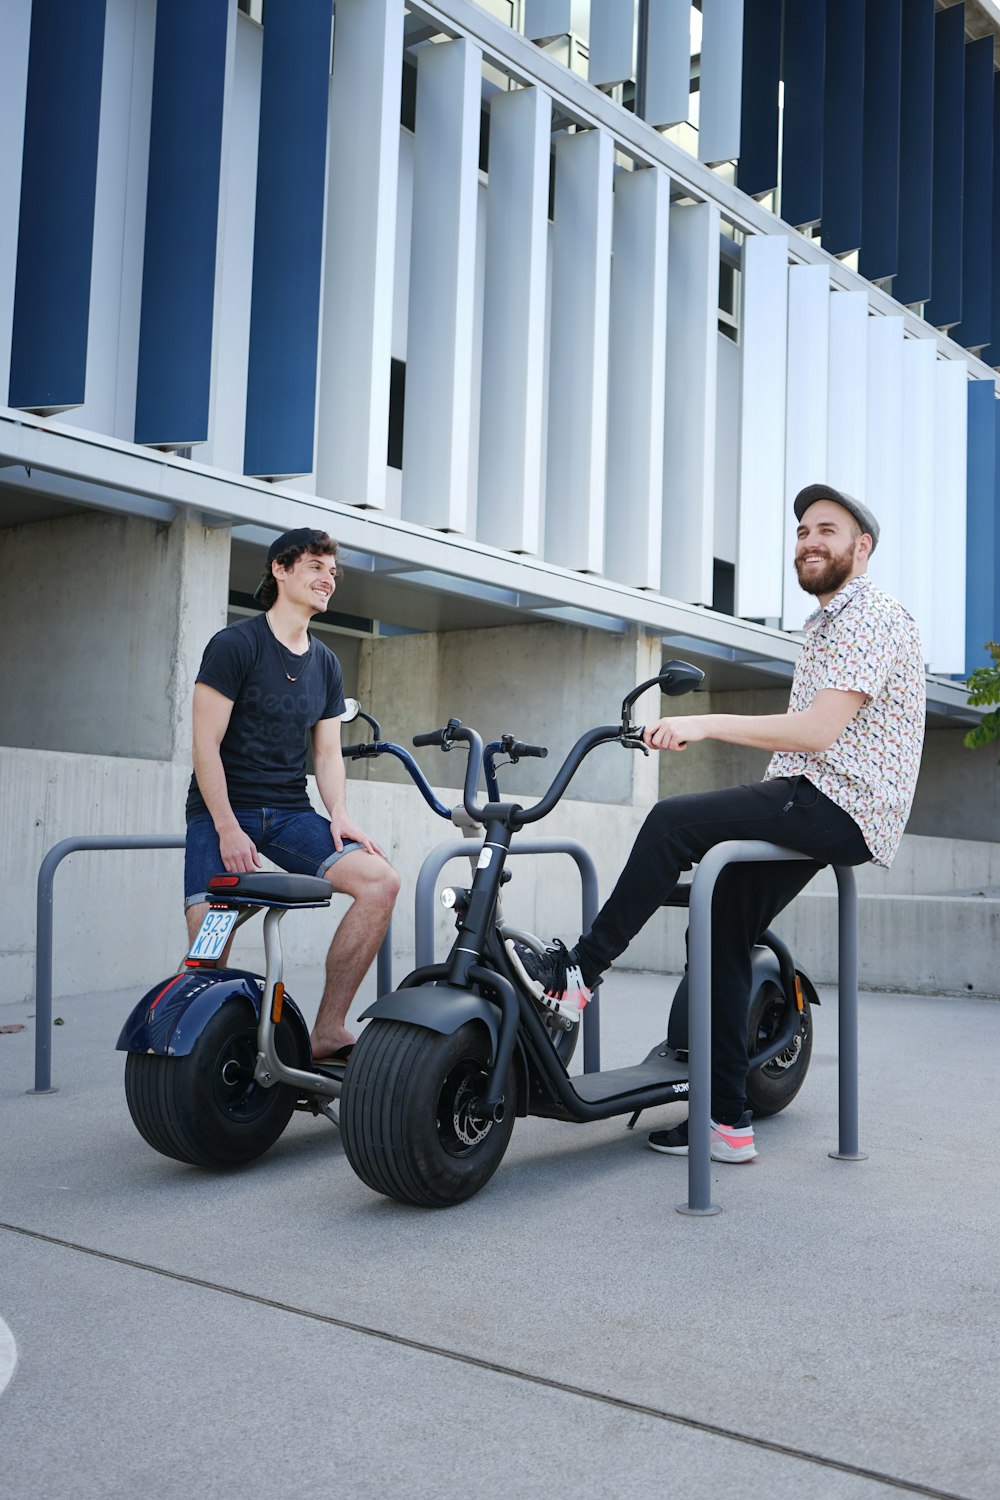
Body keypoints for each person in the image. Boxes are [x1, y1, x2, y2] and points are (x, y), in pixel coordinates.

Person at [514, 484, 925, 1163]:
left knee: (672, 822)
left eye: (827, 529)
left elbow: (820, 731)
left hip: (839, 801)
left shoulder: (870, 612)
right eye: (801, 531)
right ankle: (727, 1123)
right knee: (720, 923)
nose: (810, 540)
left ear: (863, 547)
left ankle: (581, 973)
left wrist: (702, 723)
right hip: (814, 796)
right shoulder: (826, 622)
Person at [183, 526, 400, 1062]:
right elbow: (204, 746)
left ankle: (327, 1029)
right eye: (315, 567)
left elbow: (326, 754)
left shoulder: (325, 662)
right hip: (220, 815)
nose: (328, 578)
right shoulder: (235, 644)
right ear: (280, 570)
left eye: (332, 571)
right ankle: (194, 1066)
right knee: (208, 944)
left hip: (287, 815)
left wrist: (340, 815)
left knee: (380, 883)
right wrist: (230, 829)